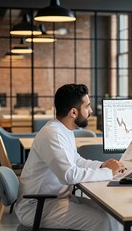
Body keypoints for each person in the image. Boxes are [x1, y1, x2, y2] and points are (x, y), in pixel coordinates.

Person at [15, 84, 123, 231]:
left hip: (57, 199)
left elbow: (76, 160)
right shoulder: (53, 134)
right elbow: (69, 175)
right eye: (87, 107)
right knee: (102, 222)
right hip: (38, 207)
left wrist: (102, 166)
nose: (91, 111)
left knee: (112, 214)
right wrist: (108, 172)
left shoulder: (64, 129)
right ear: (73, 112)